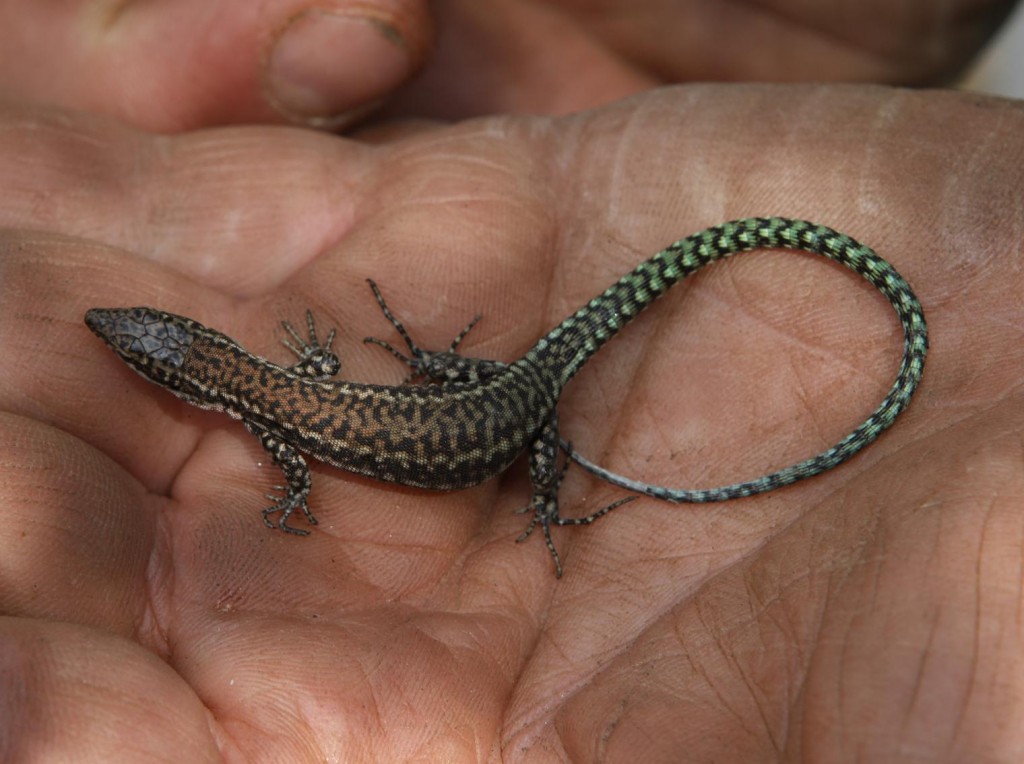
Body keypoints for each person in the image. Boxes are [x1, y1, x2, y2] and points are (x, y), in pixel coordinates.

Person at [0, 2, 1021, 760]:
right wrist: (419, 379)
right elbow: (310, 402)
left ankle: (538, 489)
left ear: (175, 363)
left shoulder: (269, 415)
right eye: (142, 343)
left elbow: (295, 472)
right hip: (493, 389)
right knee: (479, 404)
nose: (122, 338)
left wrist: (300, 497)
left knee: (522, 443)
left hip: (511, 416)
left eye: (142, 345)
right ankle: (502, 440)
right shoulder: (269, 385)